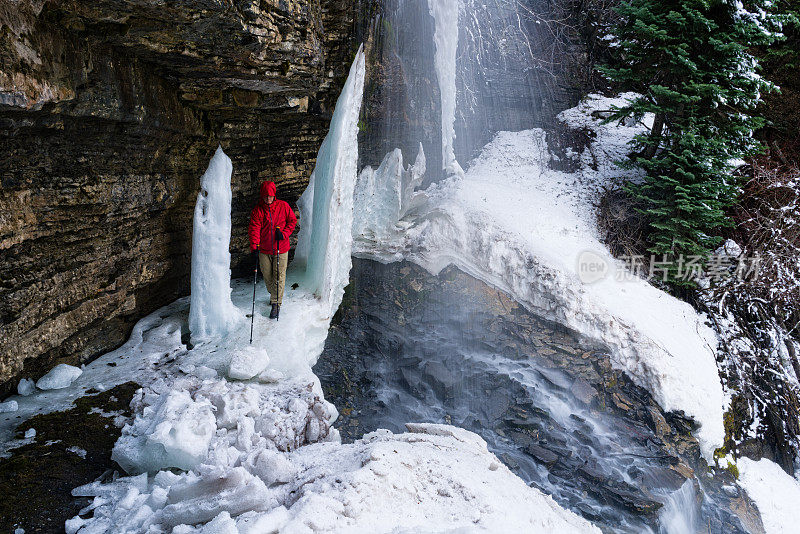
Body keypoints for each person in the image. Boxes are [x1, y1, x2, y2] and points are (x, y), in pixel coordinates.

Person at [248, 180, 297, 319]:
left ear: (274, 195)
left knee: (279, 275)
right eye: (265, 196)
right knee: (268, 276)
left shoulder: (283, 206)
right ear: (262, 196)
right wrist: (254, 246)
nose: (268, 199)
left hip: (281, 248)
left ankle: (276, 304)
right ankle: (274, 293)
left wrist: (284, 234)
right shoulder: (258, 210)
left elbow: (292, 221)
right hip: (264, 249)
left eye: (270, 196)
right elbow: (254, 229)